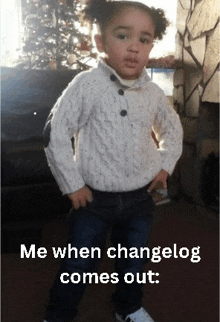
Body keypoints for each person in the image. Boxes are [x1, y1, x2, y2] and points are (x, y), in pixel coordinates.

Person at [43, 0, 183, 321]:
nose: (134, 47)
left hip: (140, 198)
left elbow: (172, 128)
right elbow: (56, 132)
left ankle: (128, 307)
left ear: (150, 47)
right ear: (100, 43)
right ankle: (59, 314)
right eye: (122, 36)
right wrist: (72, 183)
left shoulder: (152, 93)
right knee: (78, 263)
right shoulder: (86, 86)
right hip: (92, 199)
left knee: (134, 261)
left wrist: (165, 165)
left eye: (144, 40)